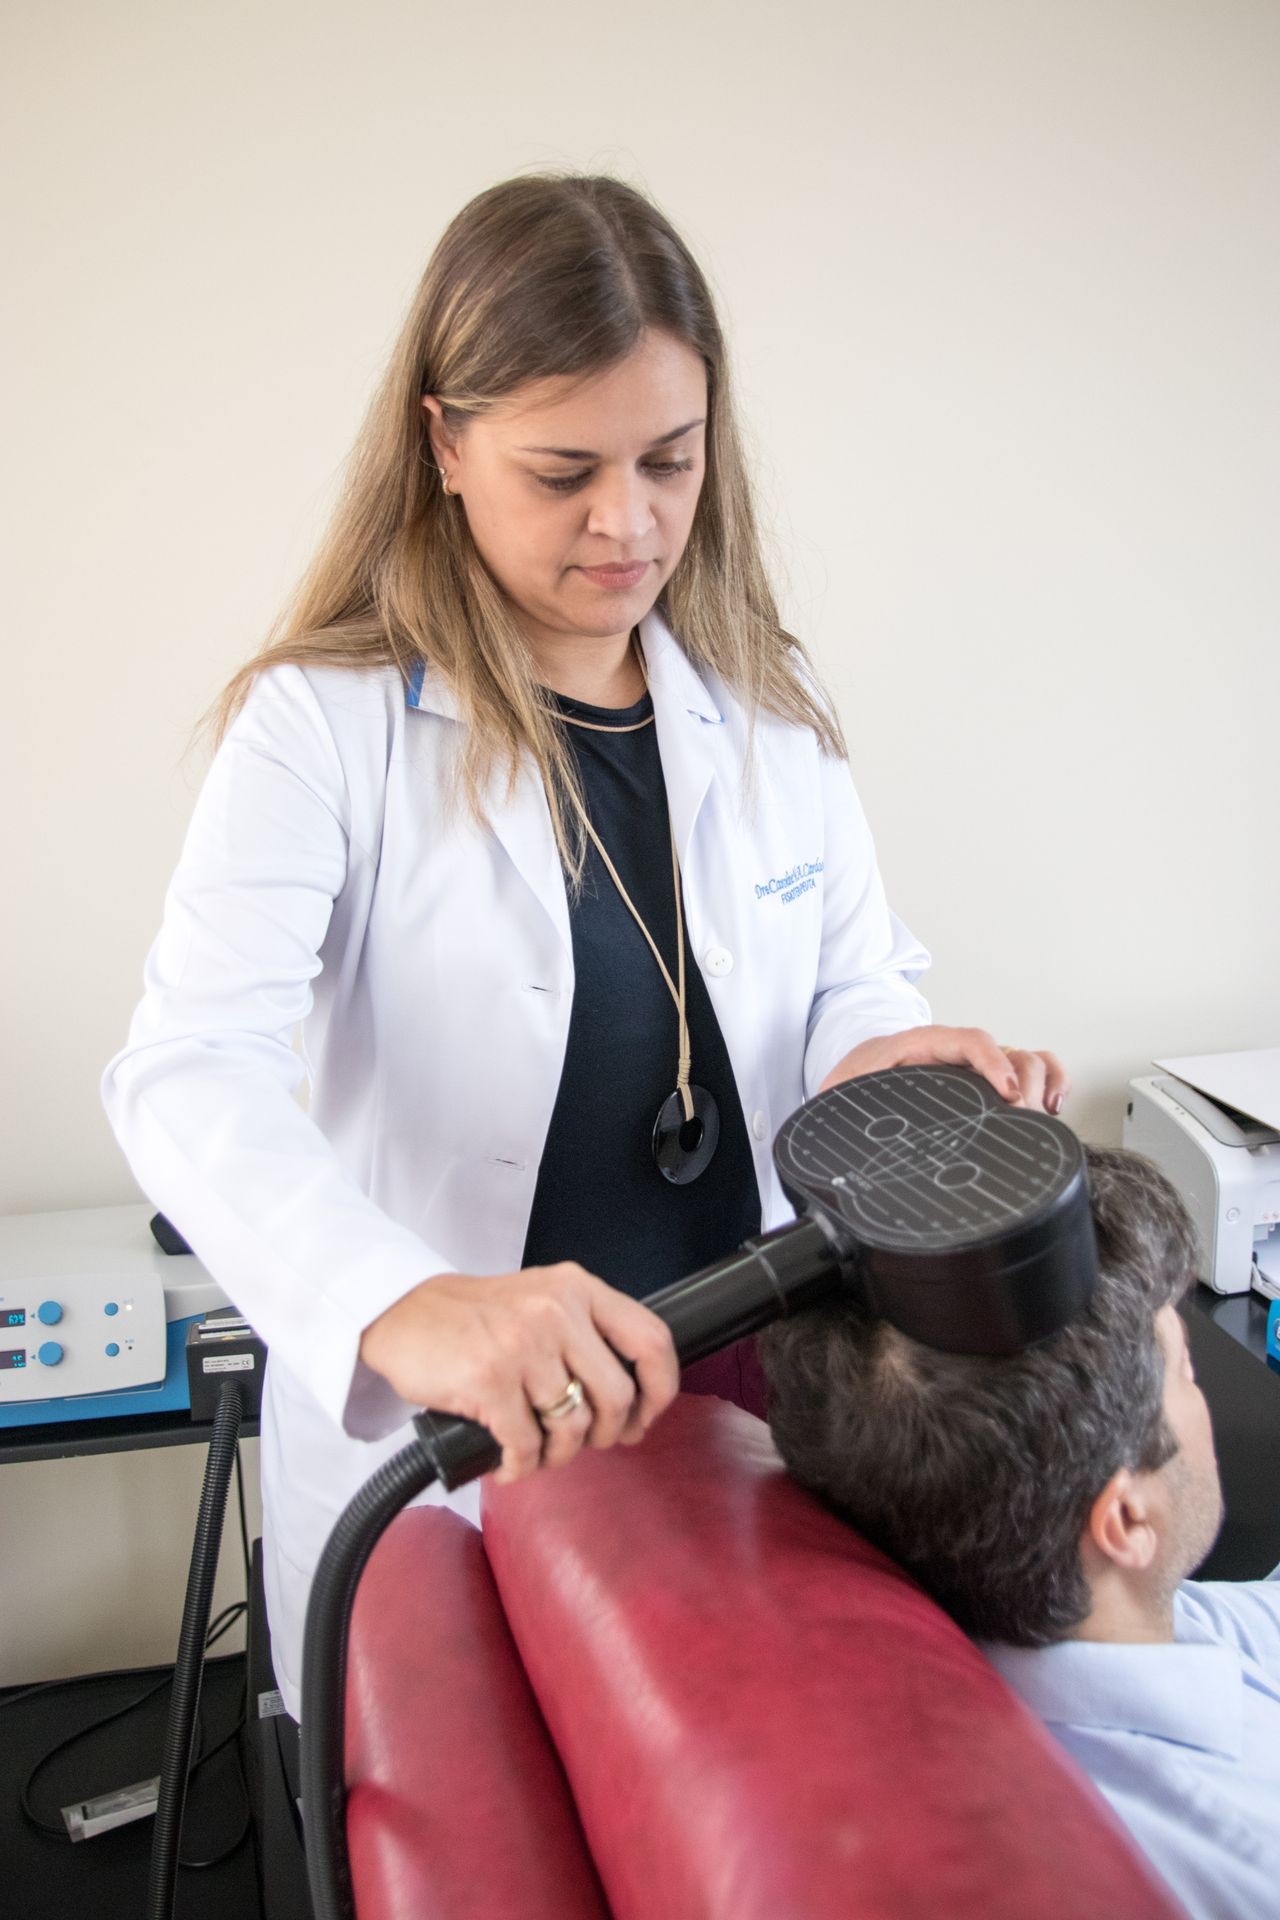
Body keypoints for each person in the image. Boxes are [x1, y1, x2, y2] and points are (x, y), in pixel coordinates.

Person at [102, 171, 1066, 1721]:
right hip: (483, 1426)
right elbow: (184, 1068)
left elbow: (845, 978)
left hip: (743, 1391)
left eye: (668, 461)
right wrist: (396, 1300)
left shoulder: (762, 709)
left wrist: (879, 1057)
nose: (629, 522)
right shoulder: (324, 728)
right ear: (444, 445)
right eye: (564, 471)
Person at [761, 1147, 1280, 1920]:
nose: (1199, 1393)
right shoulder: (1231, 1860)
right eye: (1188, 1374)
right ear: (1126, 1520)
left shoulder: (1098, 1617)